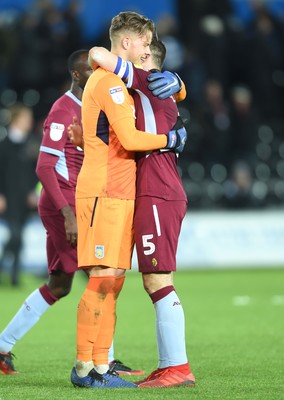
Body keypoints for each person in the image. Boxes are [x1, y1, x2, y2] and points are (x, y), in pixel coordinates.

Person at [0, 49, 143, 377]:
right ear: (77, 75)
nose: (98, 74)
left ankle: (3, 346)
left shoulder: (93, 106)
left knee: (62, 285)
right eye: (90, 70)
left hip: (82, 204)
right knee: (101, 275)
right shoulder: (64, 110)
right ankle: (103, 359)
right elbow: (45, 166)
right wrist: (67, 214)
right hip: (64, 206)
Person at [69, 11, 187, 389]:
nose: (147, 47)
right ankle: (89, 368)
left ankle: (122, 366)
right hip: (115, 190)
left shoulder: (147, 82)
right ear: (129, 44)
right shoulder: (119, 82)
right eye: (144, 41)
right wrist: (173, 137)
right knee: (110, 277)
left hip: (145, 191)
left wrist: (179, 82)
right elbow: (97, 55)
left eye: (152, 46)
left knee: (125, 278)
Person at [0, 103, 38, 287]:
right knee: (16, 235)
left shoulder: (30, 143)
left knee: (18, 236)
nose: (29, 121)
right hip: (8, 198)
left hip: (25, 198)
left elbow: (35, 171)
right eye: (25, 118)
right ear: (16, 120)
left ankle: (9, 273)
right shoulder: (4, 145)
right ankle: (13, 277)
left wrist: (33, 191)